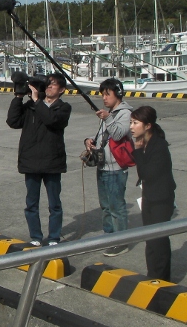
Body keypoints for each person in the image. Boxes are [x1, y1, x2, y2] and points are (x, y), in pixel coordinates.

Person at [6, 72, 72, 247]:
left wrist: (37, 101)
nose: (49, 87)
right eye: (47, 84)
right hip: (31, 161)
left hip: (52, 162)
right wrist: (18, 97)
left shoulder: (63, 108)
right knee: (31, 204)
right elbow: (13, 121)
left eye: (53, 84)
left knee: (54, 204)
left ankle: (54, 237)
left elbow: (51, 120)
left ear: (62, 90)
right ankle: (35, 236)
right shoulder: (31, 106)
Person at [84, 78, 133, 257]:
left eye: (107, 94)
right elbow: (104, 136)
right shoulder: (109, 113)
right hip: (103, 166)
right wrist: (90, 141)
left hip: (116, 168)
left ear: (117, 94)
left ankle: (121, 242)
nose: (104, 98)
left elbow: (118, 134)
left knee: (116, 207)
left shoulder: (125, 113)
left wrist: (108, 118)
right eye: (102, 94)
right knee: (105, 206)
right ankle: (109, 236)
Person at [130, 105, 176, 281]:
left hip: (161, 199)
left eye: (135, 123)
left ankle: (162, 278)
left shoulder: (159, 146)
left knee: (159, 241)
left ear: (147, 125)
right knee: (150, 239)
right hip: (149, 196)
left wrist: (137, 150)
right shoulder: (146, 143)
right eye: (131, 122)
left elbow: (146, 173)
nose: (131, 127)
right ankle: (152, 275)